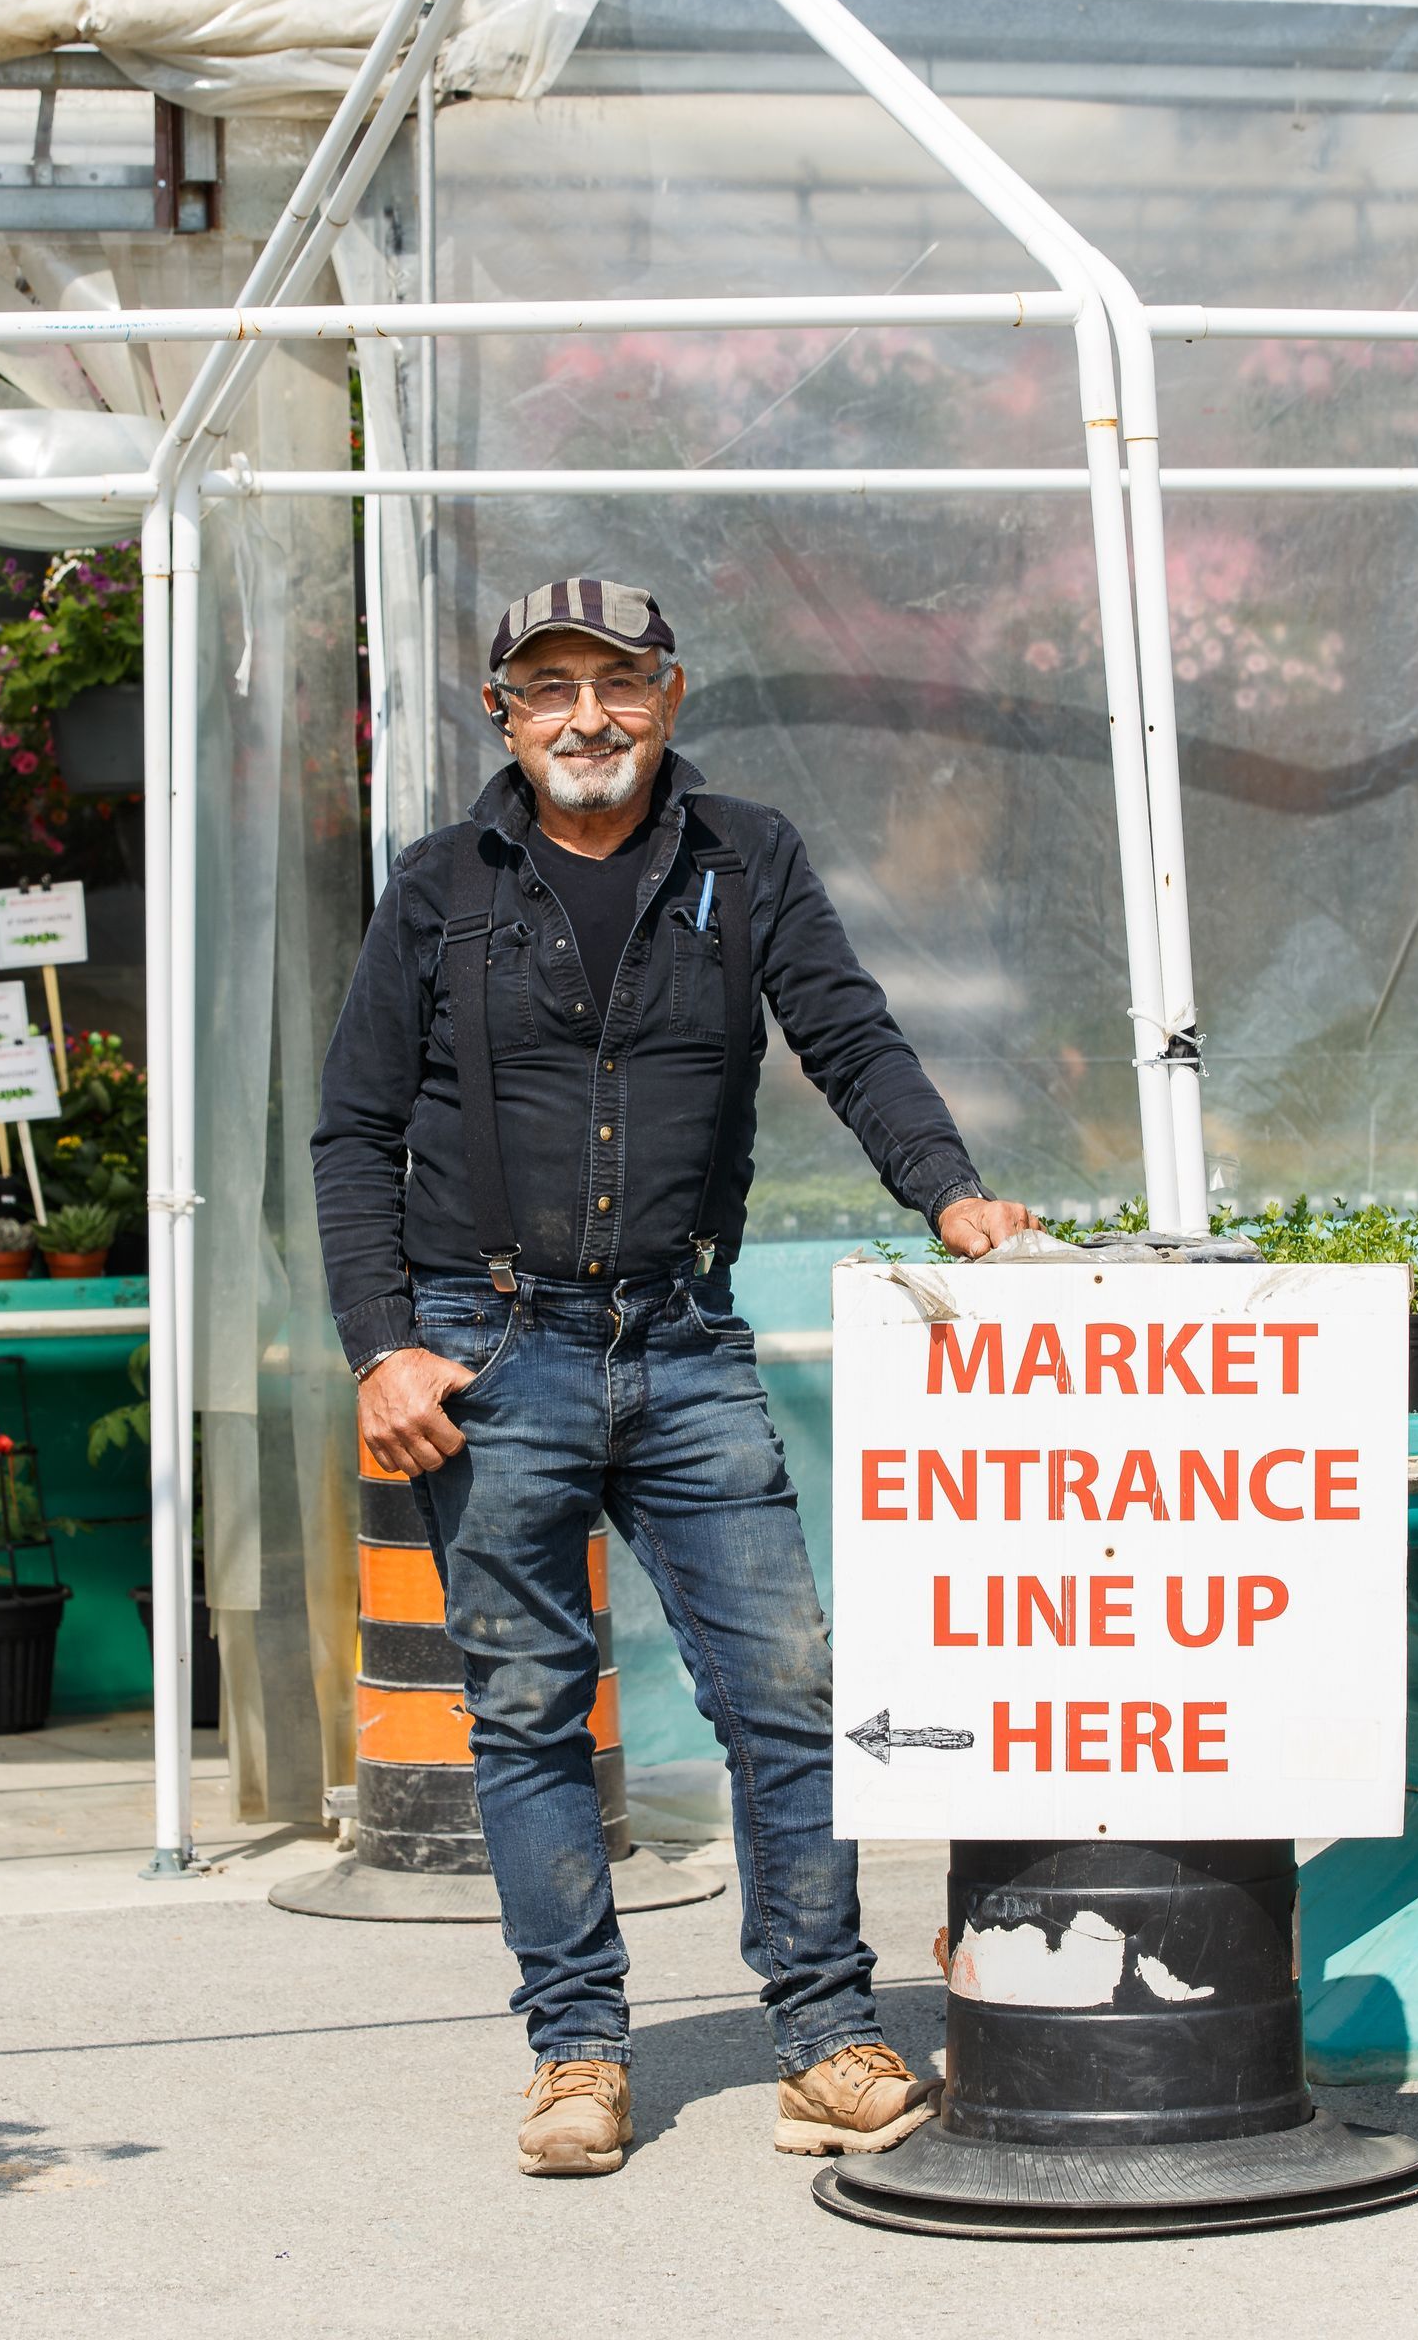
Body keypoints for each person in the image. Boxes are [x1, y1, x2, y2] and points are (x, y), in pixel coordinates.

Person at [312, 576, 1035, 2177]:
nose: (587, 715)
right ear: (501, 712)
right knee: (526, 1713)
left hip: (685, 1340)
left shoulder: (746, 857)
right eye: (550, 686)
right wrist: (382, 1344)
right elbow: (354, 1130)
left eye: (618, 683)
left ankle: (825, 2036)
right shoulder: (439, 887)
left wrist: (952, 1192)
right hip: (489, 1347)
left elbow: (849, 1035)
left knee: (785, 1692)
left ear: (671, 696)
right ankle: (575, 2055)